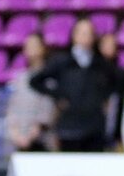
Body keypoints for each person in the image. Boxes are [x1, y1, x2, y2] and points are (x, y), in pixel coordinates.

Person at [29, 17, 116, 152]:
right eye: (82, 32)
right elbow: (35, 81)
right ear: (74, 35)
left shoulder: (100, 63)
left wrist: (104, 98)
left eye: (89, 33)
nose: (85, 37)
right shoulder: (62, 60)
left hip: (95, 127)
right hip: (69, 126)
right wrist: (58, 96)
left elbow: (115, 82)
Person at [5, 33, 56, 152]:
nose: (30, 48)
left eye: (34, 45)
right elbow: (13, 106)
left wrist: (34, 133)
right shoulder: (21, 78)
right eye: (28, 45)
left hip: (42, 142)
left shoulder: (49, 77)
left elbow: (48, 108)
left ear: (43, 48)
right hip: (20, 139)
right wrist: (15, 132)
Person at [98, 31, 124, 150]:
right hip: (93, 126)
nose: (108, 47)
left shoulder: (123, 74)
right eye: (105, 44)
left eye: (112, 44)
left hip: (117, 124)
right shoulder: (90, 70)